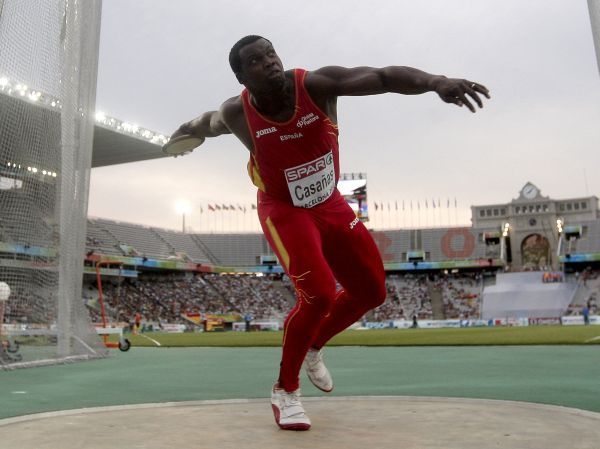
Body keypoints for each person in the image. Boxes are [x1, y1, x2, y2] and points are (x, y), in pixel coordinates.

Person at [169, 35, 490, 430]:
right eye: (256, 60)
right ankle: (285, 391)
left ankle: (313, 346)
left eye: (271, 53)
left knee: (372, 291)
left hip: (330, 202)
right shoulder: (237, 113)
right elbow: (207, 123)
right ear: (240, 75)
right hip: (284, 209)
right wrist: (183, 134)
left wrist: (436, 81)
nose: (269, 62)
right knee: (319, 293)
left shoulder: (316, 87)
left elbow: (383, 76)